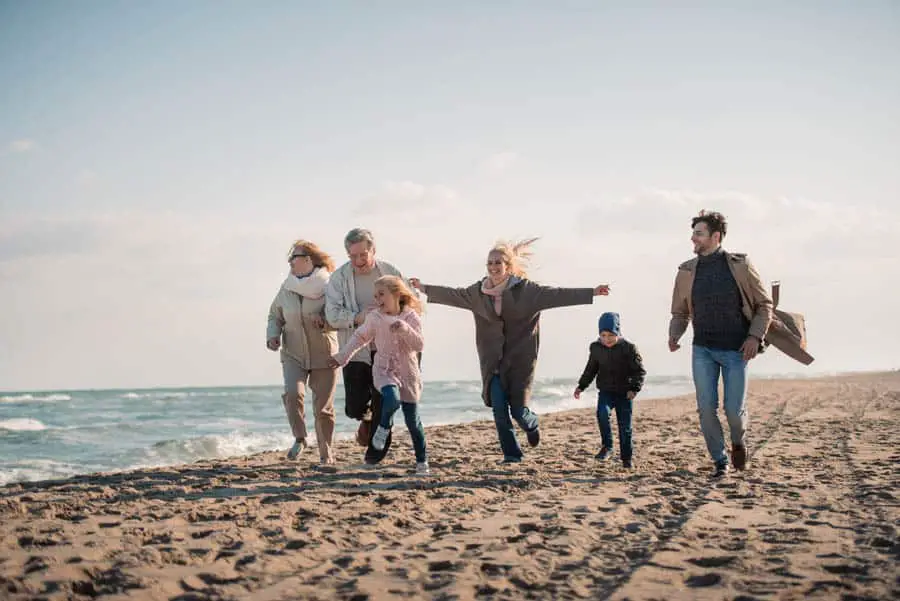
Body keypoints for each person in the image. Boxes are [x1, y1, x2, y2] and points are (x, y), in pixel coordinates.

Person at [410, 238, 610, 463]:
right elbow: (453, 295)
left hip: (520, 361)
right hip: (492, 362)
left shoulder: (526, 291)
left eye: (498, 262)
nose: (493, 267)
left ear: (507, 265)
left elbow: (558, 295)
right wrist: (423, 288)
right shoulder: (478, 292)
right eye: (490, 263)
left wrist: (592, 292)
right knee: (498, 408)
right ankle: (512, 454)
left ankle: (531, 425)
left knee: (518, 412)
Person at [668, 210, 773, 478]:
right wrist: (675, 334)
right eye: (693, 233)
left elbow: (764, 305)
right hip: (702, 348)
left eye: (699, 234)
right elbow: (680, 312)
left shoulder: (740, 265)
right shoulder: (686, 271)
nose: (693, 238)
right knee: (706, 408)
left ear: (715, 236)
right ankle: (720, 460)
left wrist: (754, 337)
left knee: (733, 411)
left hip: (737, 350)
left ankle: (739, 442)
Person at [325, 228, 414, 459]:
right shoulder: (339, 278)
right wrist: (359, 317)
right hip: (356, 349)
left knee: (382, 400)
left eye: (363, 255)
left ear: (373, 250)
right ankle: (366, 420)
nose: (358, 261)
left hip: (388, 349)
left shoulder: (389, 272)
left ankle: (374, 456)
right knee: (355, 407)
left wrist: (392, 315)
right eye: (352, 256)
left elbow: (410, 301)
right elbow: (333, 315)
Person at [329, 276, 429, 474]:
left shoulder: (411, 317)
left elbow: (419, 345)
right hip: (384, 370)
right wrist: (342, 357)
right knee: (391, 400)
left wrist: (405, 329)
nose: (377, 299)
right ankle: (383, 428)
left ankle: (422, 460)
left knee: (413, 422)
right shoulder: (375, 317)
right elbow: (360, 338)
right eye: (375, 296)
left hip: (408, 374)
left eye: (381, 294)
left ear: (396, 294)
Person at [266, 240, 339, 465]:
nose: (290, 262)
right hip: (292, 353)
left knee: (323, 408)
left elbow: (340, 316)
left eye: (294, 258)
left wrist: (326, 322)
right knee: (292, 394)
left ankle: (326, 454)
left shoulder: (329, 286)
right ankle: (300, 438)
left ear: (308, 260)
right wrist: (272, 334)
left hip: (324, 354)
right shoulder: (286, 287)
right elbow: (274, 315)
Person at [573, 312, 646, 469]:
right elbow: (590, 369)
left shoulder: (629, 348)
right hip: (606, 392)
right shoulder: (596, 348)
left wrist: (634, 389)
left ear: (618, 332)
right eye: (603, 335)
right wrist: (581, 386)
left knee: (625, 427)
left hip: (624, 393)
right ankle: (607, 446)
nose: (607, 339)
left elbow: (639, 371)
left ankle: (627, 459)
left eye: (611, 335)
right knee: (602, 413)